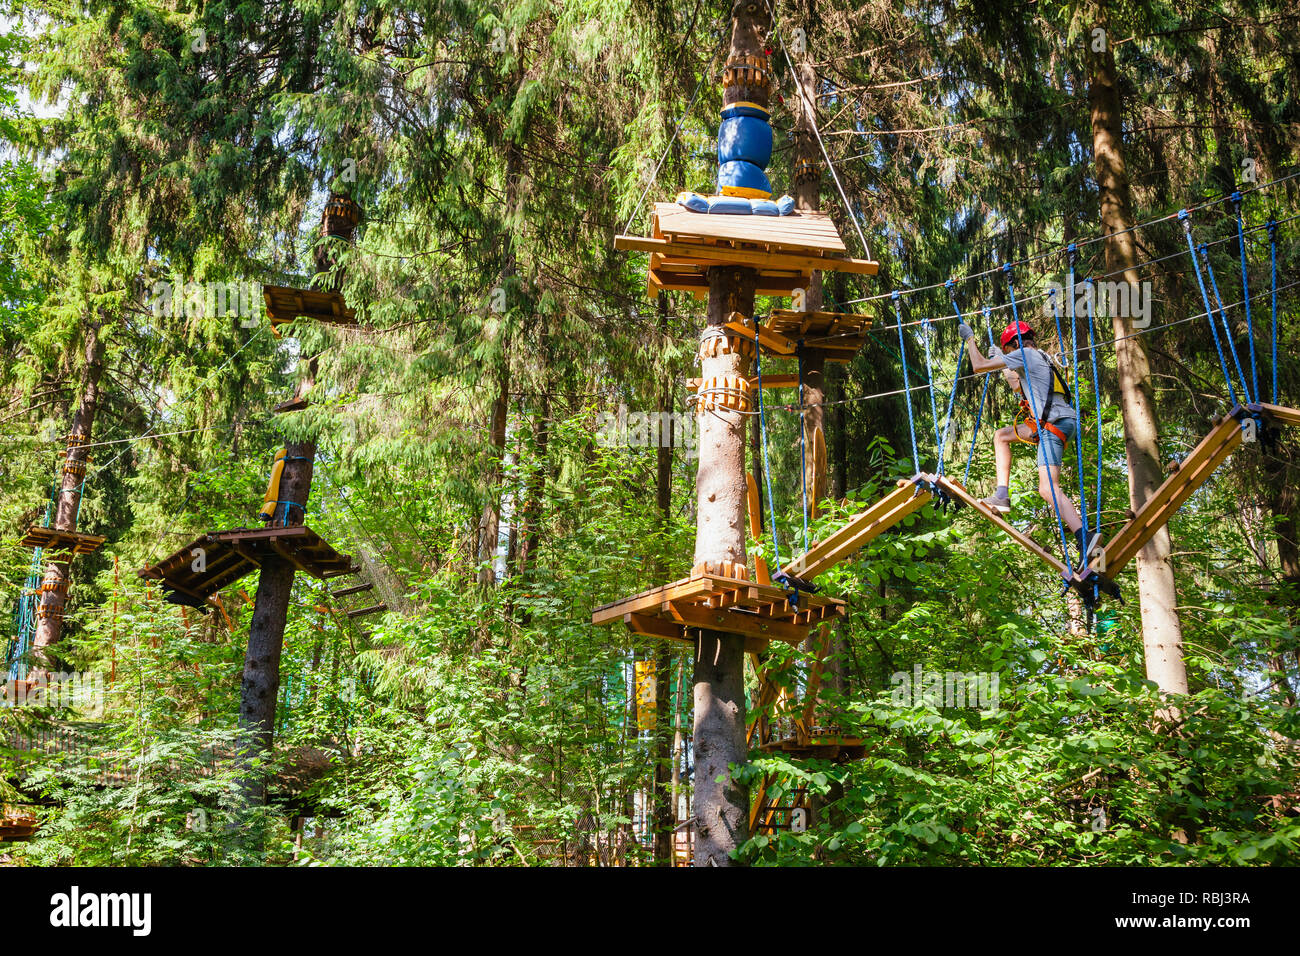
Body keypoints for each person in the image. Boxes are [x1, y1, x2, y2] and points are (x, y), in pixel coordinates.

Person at [958, 319, 1089, 562]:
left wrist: (970, 339)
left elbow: (978, 366)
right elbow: (1018, 387)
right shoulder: (1039, 355)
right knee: (1002, 436)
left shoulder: (1026, 354)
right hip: (1058, 421)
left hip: (1054, 424)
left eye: (1008, 350)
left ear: (1015, 343)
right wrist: (1003, 365)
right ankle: (1002, 495)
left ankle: (1085, 538)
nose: (1009, 355)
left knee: (1048, 488)